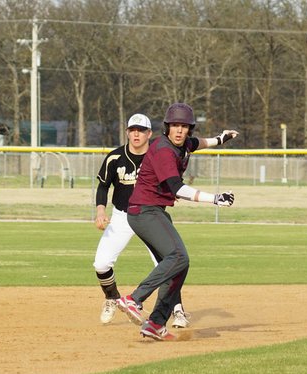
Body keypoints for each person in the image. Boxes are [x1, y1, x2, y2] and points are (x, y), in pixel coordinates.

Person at [117, 102, 237, 341]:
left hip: (152, 211)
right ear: (167, 128)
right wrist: (214, 198)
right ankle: (133, 299)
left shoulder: (182, 143)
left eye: (184, 126)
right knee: (179, 256)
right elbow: (176, 188)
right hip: (144, 211)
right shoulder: (163, 149)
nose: (179, 130)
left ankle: (155, 324)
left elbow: (198, 143)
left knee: (179, 266)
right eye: (175, 125)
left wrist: (219, 139)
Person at [92, 113, 191, 328]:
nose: (136, 134)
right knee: (101, 264)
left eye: (141, 130)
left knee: (168, 264)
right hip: (122, 216)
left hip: (151, 216)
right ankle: (112, 297)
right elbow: (103, 187)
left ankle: (177, 310)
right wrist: (101, 211)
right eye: (132, 130)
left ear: (150, 134)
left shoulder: (159, 154)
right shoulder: (115, 157)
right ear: (127, 132)